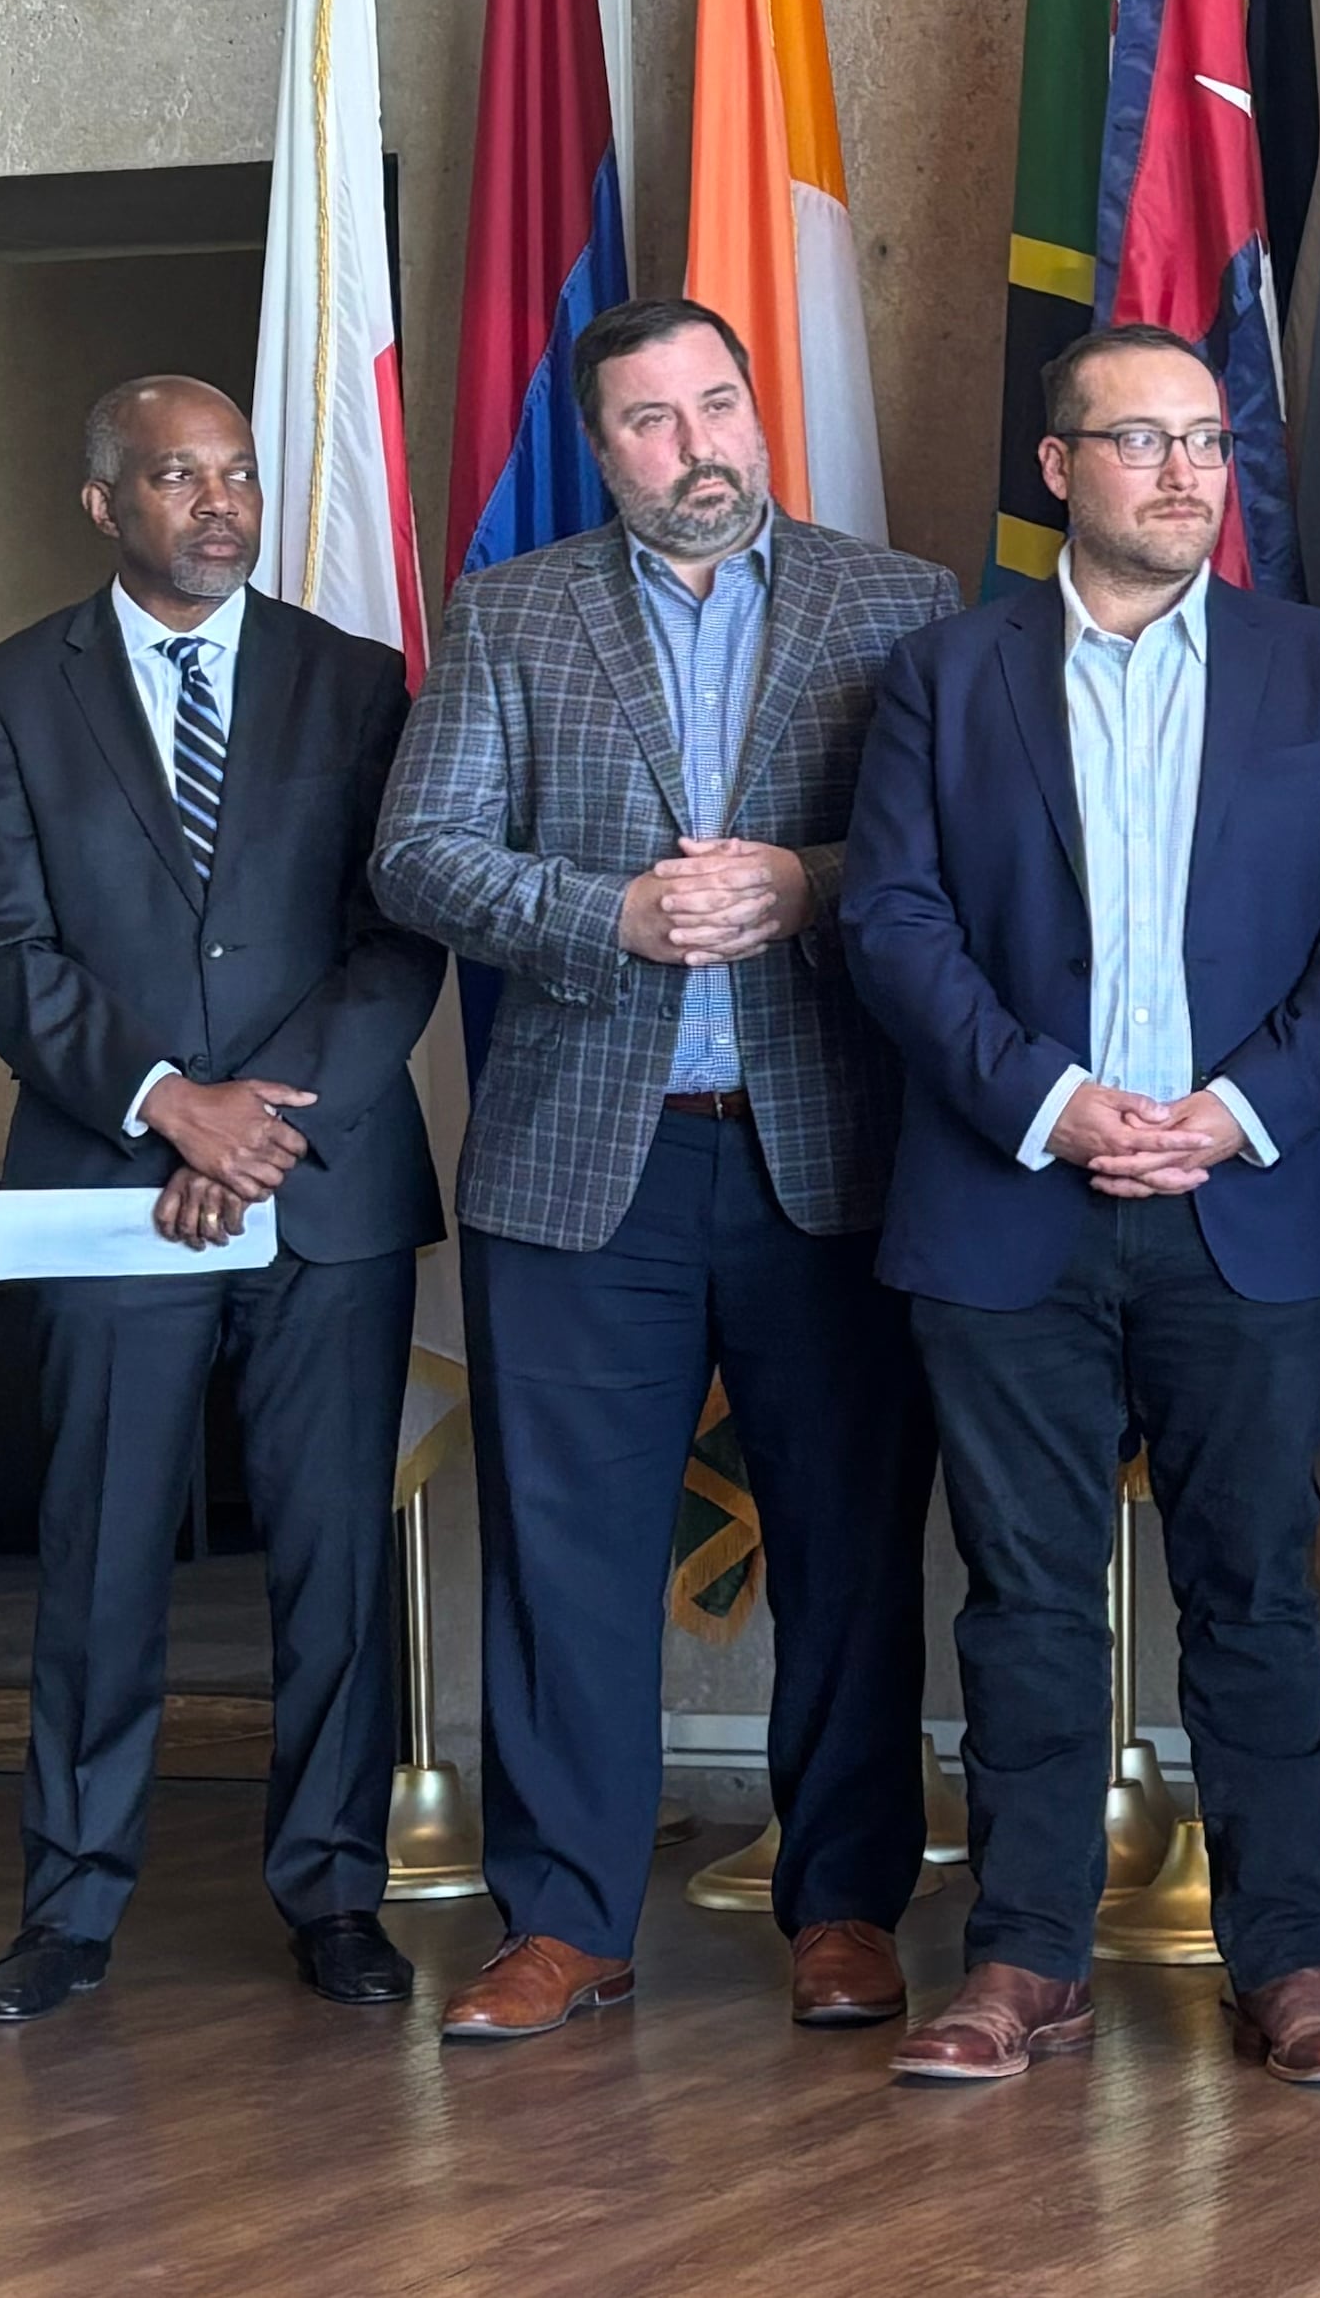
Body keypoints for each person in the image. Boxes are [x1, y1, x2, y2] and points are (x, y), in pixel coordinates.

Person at [838, 325, 1320, 2089]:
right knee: (1025, 1594)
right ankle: (1025, 1958)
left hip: (1252, 1203)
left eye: (1206, 442)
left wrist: (1233, 1113)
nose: (1186, 473)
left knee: (1255, 1590)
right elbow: (893, 919)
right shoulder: (945, 676)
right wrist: (1050, 1100)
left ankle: (1291, 1962)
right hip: (1010, 1196)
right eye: (1142, 440)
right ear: (1057, 469)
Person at [372, 297, 955, 2044]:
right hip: (579, 1167)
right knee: (565, 1557)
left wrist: (806, 881)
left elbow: (964, 850)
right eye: (651, 419)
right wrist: (605, 911)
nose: (695, 446)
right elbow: (419, 853)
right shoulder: (512, 611)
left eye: (717, 405)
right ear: (600, 445)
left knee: (852, 1551)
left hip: (832, 1157)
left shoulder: (900, 602)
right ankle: (564, 1921)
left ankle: (844, 1906)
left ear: (758, 410)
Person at [0, 376, 447, 2025]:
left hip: (324, 1190)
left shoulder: (356, 681)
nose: (219, 502)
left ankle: (337, 1893)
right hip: (113, 1187)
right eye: (178, 475)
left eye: (237, 472)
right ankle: (70, 1904)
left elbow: (399, 929)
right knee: (99, 1554)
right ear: (106, 503)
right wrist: (169, 1104)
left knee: (333, 1561)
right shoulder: (10, 689)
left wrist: (260, 1126)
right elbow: (1, 948)